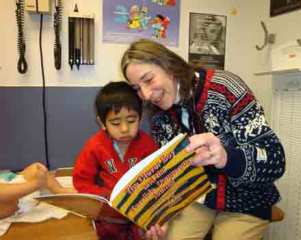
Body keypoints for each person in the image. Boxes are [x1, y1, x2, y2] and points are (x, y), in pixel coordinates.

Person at [120, 39, 286, 240]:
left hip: (248, 199)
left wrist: (226, 157)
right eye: (137, 88)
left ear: (169, 66)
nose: (146, 95)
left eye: (149, 79)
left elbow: (275, 160)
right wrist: (160, 215)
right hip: (198, 197)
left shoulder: (225, 88)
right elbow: (173, 174)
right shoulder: (159, 115)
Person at [72, 81, 159, 240]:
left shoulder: (147, 145)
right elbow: (81, 181)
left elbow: (158, 179)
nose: (125, 128)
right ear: (102, 123)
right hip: (108, 216)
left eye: (131, 120)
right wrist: (104, 196)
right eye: (116, 123)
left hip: (139, 213)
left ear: (140, 118)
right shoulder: (95, 146)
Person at [0, 162, 77, 220]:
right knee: (7, 204)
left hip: (13, 185)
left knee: (36, 168)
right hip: (10, 202)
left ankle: (59, 190)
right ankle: (37, 184)